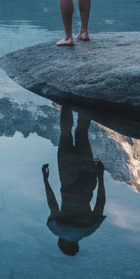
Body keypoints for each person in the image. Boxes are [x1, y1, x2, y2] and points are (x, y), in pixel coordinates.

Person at [42, 106, 106, 255]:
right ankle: (66, 101)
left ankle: (82, 101)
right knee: (65, 134)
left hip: (88, 181)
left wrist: (100, 177)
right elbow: (53, 203)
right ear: (63, 243)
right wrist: (45, 180)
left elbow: (100, 203)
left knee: (82, 133)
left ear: (76, 245)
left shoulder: (89, 228)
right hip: (68, 178)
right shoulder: (58, 228)